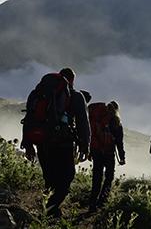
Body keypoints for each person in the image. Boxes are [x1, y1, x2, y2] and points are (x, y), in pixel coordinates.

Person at [21, 68, 90, 217]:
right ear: (71, 80)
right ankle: (50, 208)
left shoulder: (37, 94)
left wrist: (27, 144)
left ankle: (51, 210)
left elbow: (28, 120)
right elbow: (83, 122)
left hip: (41, 142)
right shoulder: (76, 96)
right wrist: (85, 145)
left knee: (50, 177)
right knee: (67, 176)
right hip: (62, 143)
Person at [88, 100, 126, 212]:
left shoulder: (98, 120)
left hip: (97, 152)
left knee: (97, 178)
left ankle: (92, 204)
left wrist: (90, 151)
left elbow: (92, 135)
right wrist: (122, 157)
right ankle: (102, 201)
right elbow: (119, 142)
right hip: (109, 153)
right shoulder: (116, 122)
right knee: (109, 177)